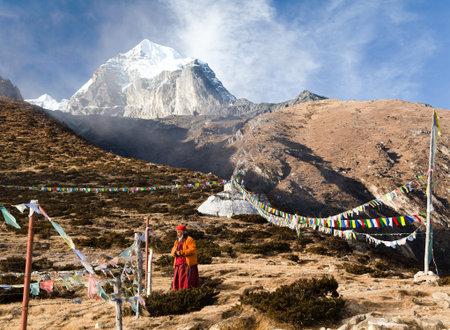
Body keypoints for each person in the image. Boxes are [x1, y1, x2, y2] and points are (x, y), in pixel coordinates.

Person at [171, 224, 200, 290]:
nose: (178, 234)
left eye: (179, 232)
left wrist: (182, 252)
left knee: (186, 281)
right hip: (178, 264)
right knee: (178, 280)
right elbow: (172, 251)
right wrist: (174, 253)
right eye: (177, 232)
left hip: (187, 264)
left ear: (183, 232)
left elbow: (192, 250)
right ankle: (179, 292)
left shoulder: (189, 239)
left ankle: (185, 292)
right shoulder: (177, 241)